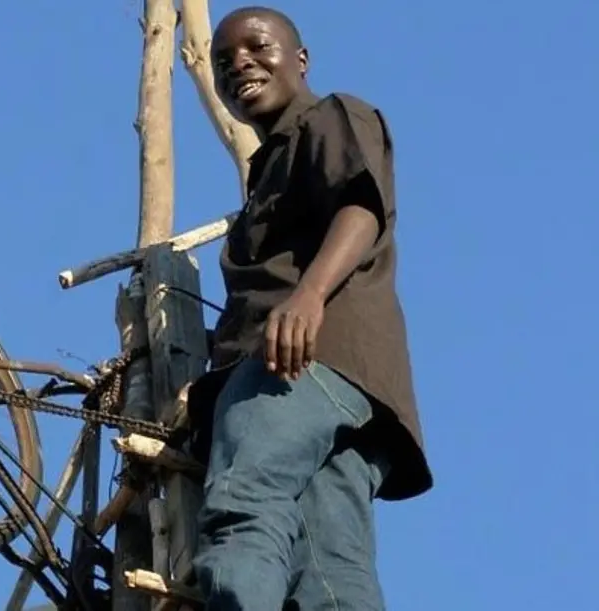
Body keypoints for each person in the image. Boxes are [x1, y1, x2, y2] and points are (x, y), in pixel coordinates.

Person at [186, 6, 433, 610]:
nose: (238, 63)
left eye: (257, 47)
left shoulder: (332, 116)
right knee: (329, 561)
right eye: (222, 61)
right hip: (350, 385)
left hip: (298, 362)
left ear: (301, 60)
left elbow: (361, 208)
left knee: (244, 502)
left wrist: (308, 297)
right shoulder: (268, 168)